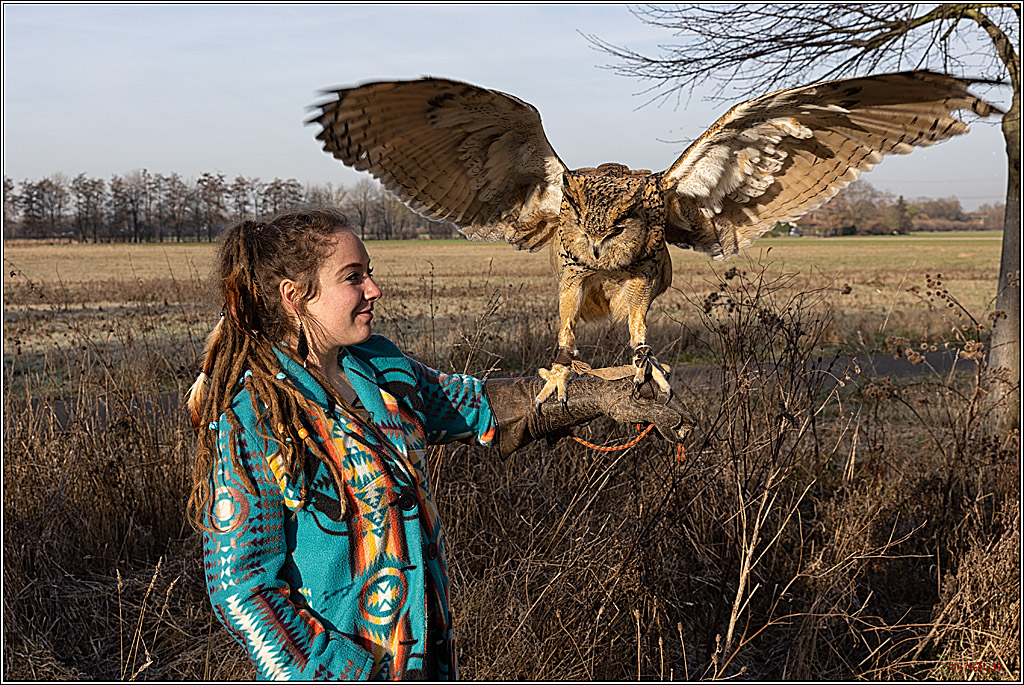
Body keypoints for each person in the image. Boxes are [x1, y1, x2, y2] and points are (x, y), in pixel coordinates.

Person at [187, 205, 690, 680]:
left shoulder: (381, 367)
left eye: (369, 272)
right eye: (353, 277)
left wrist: (597, 394)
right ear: (295, 296)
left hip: (427, 663)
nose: (374, 289)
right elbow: (243, 590)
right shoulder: (254, 417)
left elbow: (480, 406)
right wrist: (349, 673)